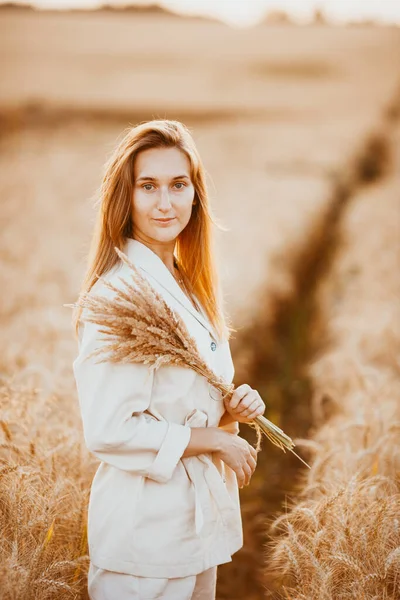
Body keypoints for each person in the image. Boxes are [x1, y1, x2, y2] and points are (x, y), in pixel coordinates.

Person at [71, 119, 265, 600]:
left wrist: (230, 411)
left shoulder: (185, 283)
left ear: (196, 194)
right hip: (145, 537)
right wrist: (214, 443)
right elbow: (108, 429)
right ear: (126, 197)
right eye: (148, 186)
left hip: (193, 529)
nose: (165, 203)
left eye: (179, 185)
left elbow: (186, 395)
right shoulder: (118, 296)